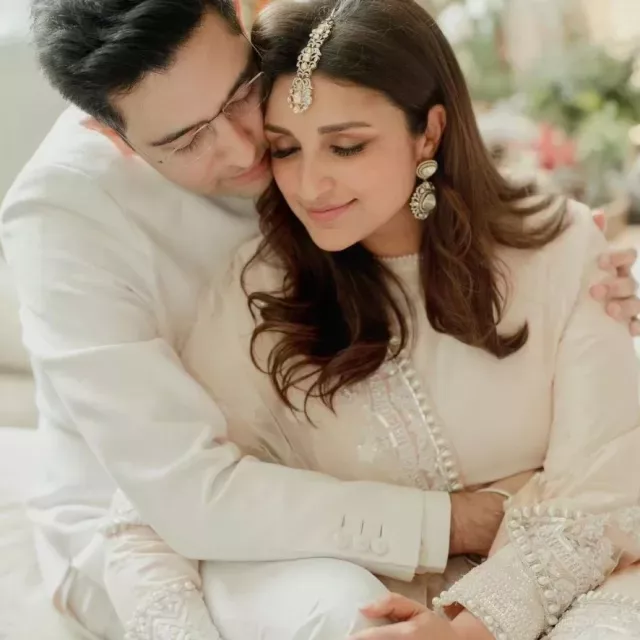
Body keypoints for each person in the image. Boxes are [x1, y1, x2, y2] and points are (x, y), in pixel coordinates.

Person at [0, 0, 637, 638]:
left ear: (244, 20)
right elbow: (175, 499)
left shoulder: (318, 57)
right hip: (191, 520)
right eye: (188, 140)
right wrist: (463, 522)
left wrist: (565, 261)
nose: (249, 150)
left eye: (242, 96)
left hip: (505, 556)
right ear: (113, 137)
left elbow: (605, 473)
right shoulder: (70, 220)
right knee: (341, 612)